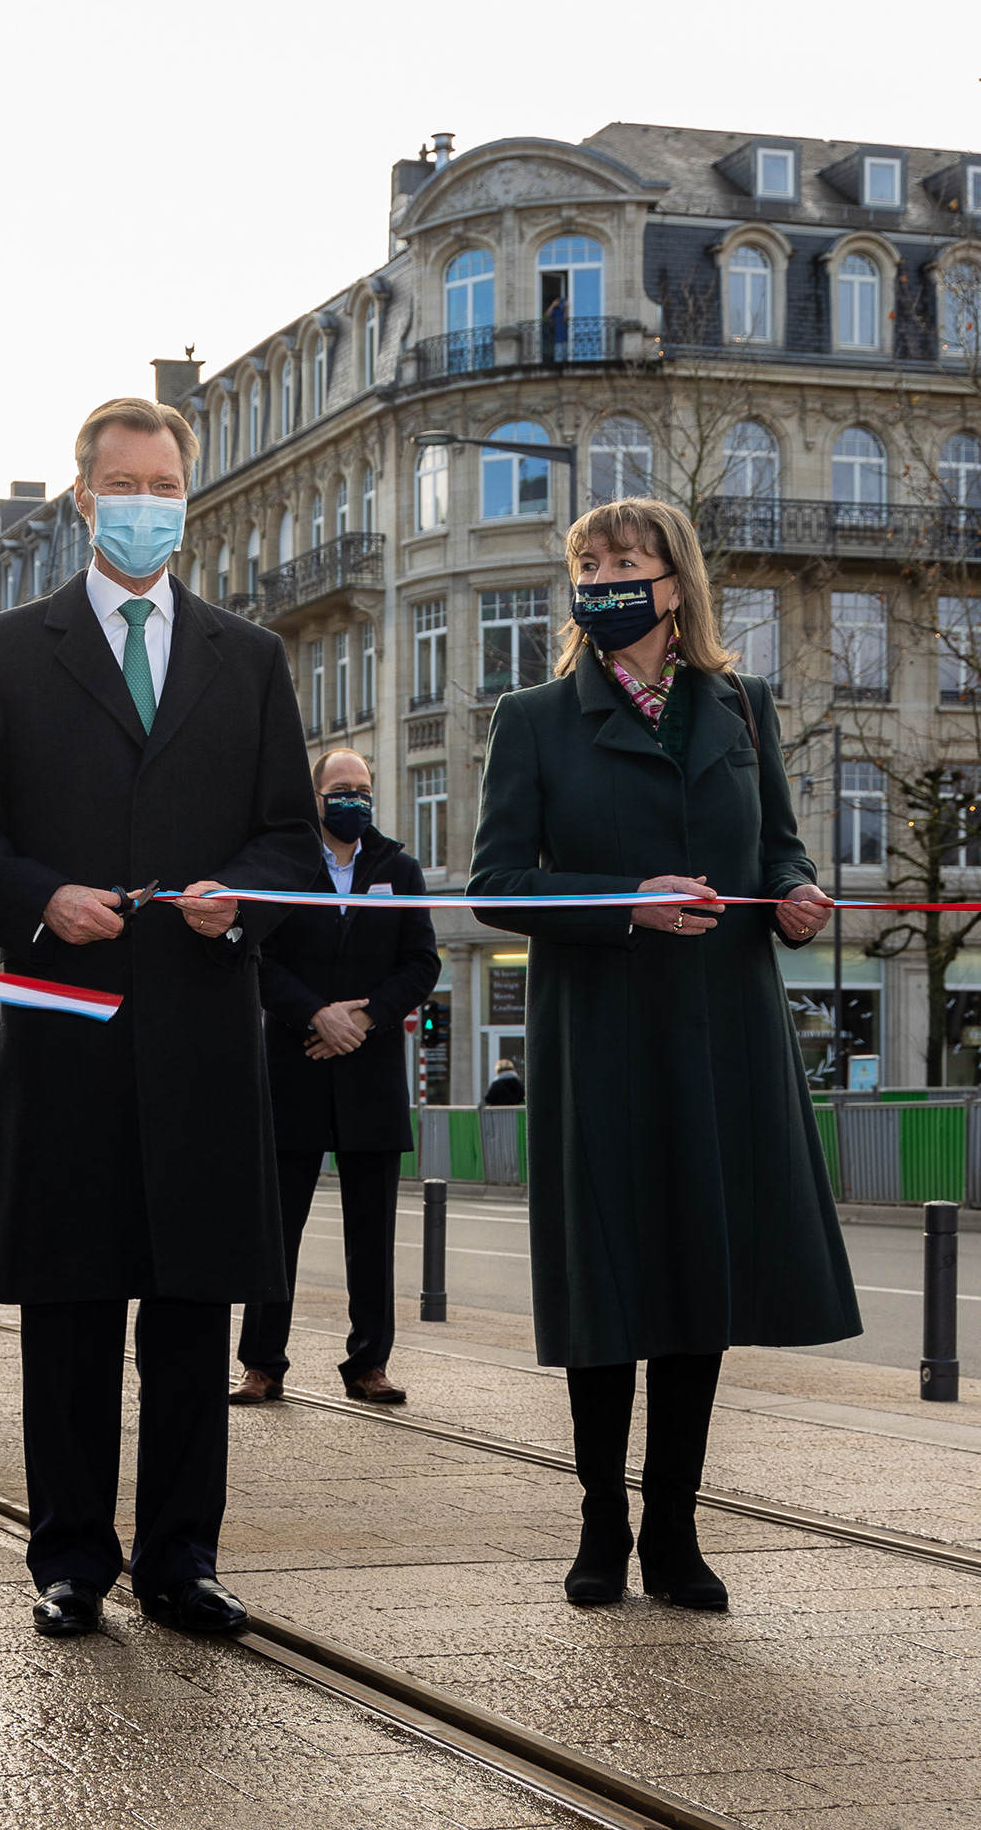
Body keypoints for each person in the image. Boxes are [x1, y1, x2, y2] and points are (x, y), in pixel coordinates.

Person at [0, 396, 320, 1640]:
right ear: (86, 498)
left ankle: (182, 1557)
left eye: (168, 483)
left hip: (204, 1033)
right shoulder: (5, 651)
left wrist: (238, 905)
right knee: (76, 1310)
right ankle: (71, 1558)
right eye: (126, 483)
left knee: (195, 1310)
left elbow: (294, 846)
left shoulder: (247, 658)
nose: (149, 503)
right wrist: (42, 898)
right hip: (71, 1025)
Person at [468, 495, 861, 1614]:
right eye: (588, 561)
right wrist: (621, 903)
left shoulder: (741, 703)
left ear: (673, 583)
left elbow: (779, 845)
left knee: (700, 1277)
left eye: (625, 561)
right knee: (612, 1280)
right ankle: (599, 1521)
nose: (603, 576)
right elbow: (496, 885)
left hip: (727, 1027)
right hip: (604, 1028)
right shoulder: (535, 716)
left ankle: (673, 1531)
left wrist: (794, 894)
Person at [232, 747, 439, 1409]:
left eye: (363, 790)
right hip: (294, 1067)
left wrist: (368, 1018)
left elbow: (421, 963)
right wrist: (316, 1016)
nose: (354, 800)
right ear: (314, 797)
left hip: (370, 1074)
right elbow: (256, 958)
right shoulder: (285, 867)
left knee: (373, 1234)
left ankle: (369, 1364)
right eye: (341, 790)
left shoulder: (398, 868)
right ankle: (262, 1364)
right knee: (275, 1228)